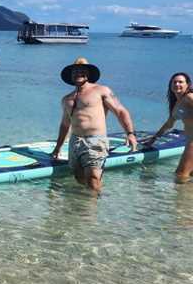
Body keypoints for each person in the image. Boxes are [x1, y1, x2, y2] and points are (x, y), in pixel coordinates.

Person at [50, 57, 137, 193]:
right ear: (71, 75)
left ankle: (92, 211)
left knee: (93, 178)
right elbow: (65, 125)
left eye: (82, 70)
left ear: (88, 74)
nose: (78, 73)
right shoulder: (67, 99)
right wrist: (57, 148)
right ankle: (81, 208)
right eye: (75, 71)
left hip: (95, 141)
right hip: (75, 142)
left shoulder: (101, 90)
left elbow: (120, 111)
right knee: (79, 178)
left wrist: (130, 134)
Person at [143, 72, 193, 183]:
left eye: (181, 82)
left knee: (181, 176)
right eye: (174, 82)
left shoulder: (189, 97)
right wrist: (154, 138)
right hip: (189, 141)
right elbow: (169, 124)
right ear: (170, 85)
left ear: (188, 85)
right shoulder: (177, 103)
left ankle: (181, 200)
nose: (177, 84)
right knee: (188, 176)